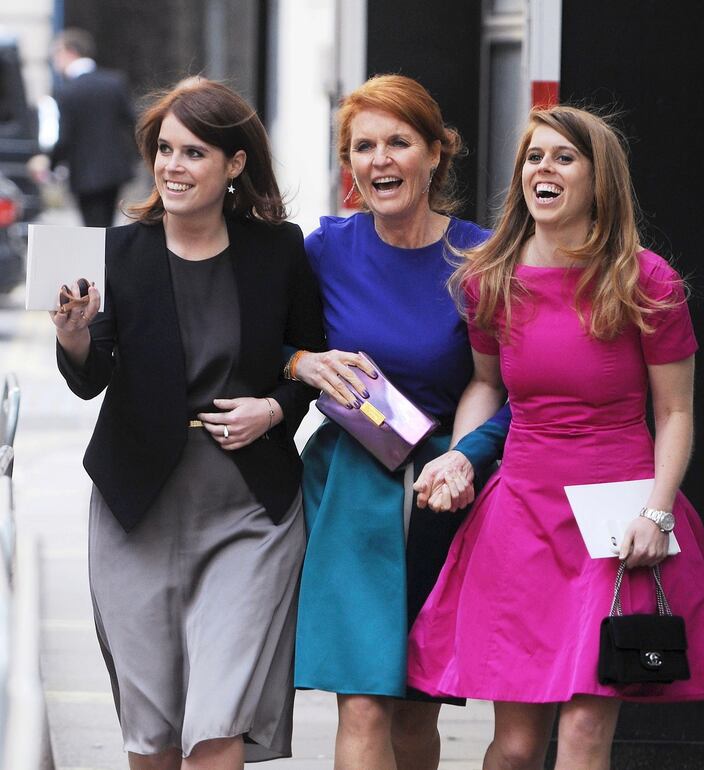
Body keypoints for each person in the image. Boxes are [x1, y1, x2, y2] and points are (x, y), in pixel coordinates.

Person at [407, 105, 704, 770]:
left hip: (615, 521)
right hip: (521, 516)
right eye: (534, 157)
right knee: (518, 745)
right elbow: (486, 385)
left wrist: (656, 509)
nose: (544, 169)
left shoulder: (645, 280)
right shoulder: (490, 276)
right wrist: (458, 459)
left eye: (563, 157)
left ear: (597, 178)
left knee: (585, 730)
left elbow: (675, 413)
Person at [52, 80, 324, 768]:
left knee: (216, 726)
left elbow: (305, 362)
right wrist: (74, 336)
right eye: (164, 149)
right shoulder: (113, 250)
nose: (172, 165)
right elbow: (89, 379)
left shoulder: (280, 249)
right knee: (152, 738)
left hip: (248, 515)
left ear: (234, 164)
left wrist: (274, 410)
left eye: (193, 152)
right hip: (136, 509)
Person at [284, 74, 508, 770]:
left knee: (416, 705)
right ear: (348, 162)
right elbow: (268, 340)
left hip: (441, 487)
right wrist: (301, 362)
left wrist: (463, 458)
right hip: (352, 482)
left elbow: (488, 378)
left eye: (399, 143)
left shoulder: (481, 257)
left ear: (437, 153)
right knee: (362, 700)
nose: (380, 160)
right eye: (363, 146)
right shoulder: (324, 250)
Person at [49, 27, 136, 226]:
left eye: (57, 53)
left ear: (70, 52)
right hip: (115, 170)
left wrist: (52, 165)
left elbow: (64, 138)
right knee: (108, 224)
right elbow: (132, 122)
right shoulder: (114, 82)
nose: (55, 61)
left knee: (93, 230)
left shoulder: (67, 91)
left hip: (84, 174)